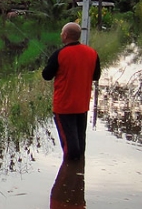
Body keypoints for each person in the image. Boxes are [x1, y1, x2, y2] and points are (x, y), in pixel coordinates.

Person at [41, 21, 101, 161]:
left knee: (70, 149)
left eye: (62, 32)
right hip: (82, 105)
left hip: (64, 107)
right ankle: (79, 175)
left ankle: (70, 176)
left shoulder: (59, 54)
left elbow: (46, 75)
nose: (61, 34)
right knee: (80, 144)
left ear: (66, 35)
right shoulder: (92, 53)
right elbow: (96, 76)